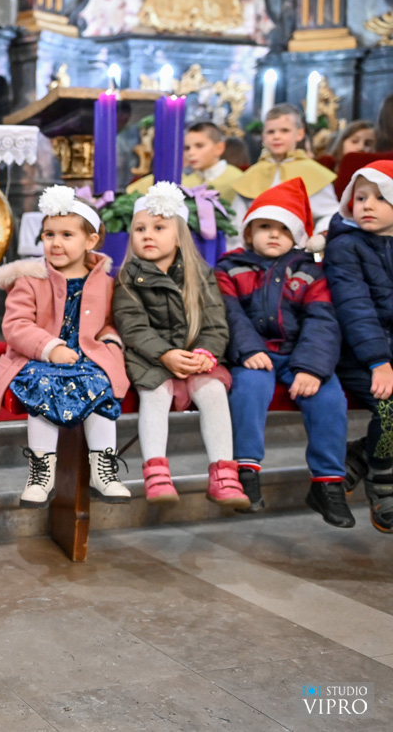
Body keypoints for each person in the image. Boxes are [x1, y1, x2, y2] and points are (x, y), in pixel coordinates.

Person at [215, 178, 352, 526]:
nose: (274, 234)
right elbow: (229, 313)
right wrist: (247, 348)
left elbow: (322, 319)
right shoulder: (229, 267)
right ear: (248, 233)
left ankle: (328, 482)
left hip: (298, 354)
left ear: (298, 235)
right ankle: (246, 470)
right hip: (253, 353)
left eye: (284, 228)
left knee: (329, 398)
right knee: (249, 389)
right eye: (264, 227)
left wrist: (312, 367)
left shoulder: (309, 270)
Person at [0, 186, 130, 507]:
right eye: (49, 234)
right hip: (38, 358)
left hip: (88, 357)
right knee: (42, 385)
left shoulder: (104, 282)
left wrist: (109, 342)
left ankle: (103, 467)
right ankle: (41, 471)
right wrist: (51, 348)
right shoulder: (31, 278)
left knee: (100, 383)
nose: (56, 243)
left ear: (91, 241)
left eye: (67, 235)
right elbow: (16, 325)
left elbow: (109, 321)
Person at [114, 181, 244, 508]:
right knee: (155, 393)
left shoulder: (200, 275)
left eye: (158, 228)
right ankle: (156, 472)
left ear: (179, 236)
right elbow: (133, 326)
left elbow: (215, 322)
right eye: (140, 229)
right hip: (150, 357)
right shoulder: (128, 277)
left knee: (213, 391)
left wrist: (206, 353)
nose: (147, 235)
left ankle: (224, 474)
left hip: (194, 354)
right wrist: (165, 354)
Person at [324, 161, 393, 533]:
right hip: (359, 356)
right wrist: (378, 361)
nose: (367, 205)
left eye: (380, 198)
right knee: (391, 408)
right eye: (361, 197)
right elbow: (356, 309)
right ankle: (382, 480)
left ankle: (361, 454)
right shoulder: (345, 246)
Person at [230, 105, 339, 248]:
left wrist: (319, 236)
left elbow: (329, 214)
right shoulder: (252, 174)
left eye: (284, 130)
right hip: (257, 250)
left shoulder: (313, 173)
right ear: (263, 136)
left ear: (299, 134)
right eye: (271, 132)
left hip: (300, 249)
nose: (276, 136)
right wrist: (238, 249)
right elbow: (237, 221)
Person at [128, 121, 245, 202]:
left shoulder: (237, 179)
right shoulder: (184, 181)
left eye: (199, 146)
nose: (191, 153)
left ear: (219, 148)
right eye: (187, 148)